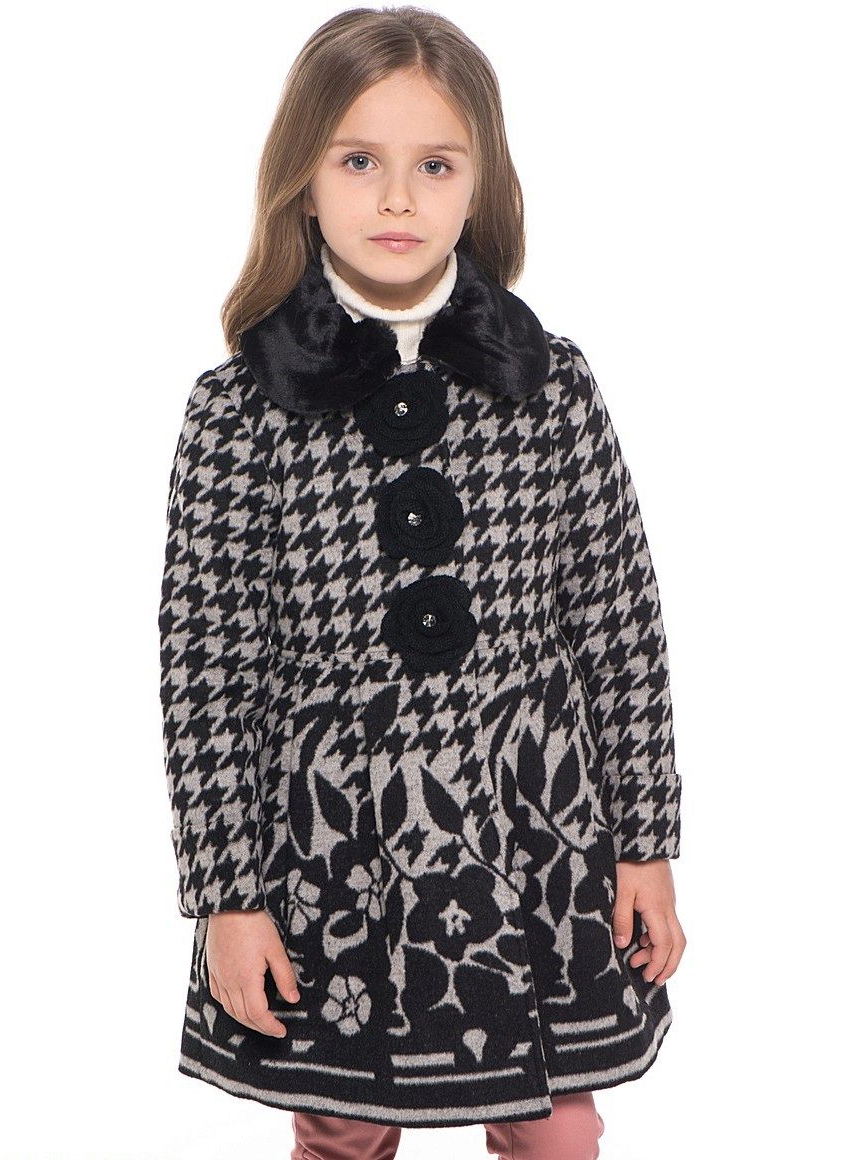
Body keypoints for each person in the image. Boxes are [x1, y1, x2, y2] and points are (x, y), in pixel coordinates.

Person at [157, 7, 687, 1158]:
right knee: (344, 1123)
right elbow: (208, 673)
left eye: (434, 166)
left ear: (478, 185)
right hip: (331, 848)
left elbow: (620, 625)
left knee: (558, 1122)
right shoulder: (238, 413)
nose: (397, 198)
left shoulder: (550, 388)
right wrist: (228, 895)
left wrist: (646, 840)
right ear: (304, 181)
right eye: (359, 161)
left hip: (535, 833)